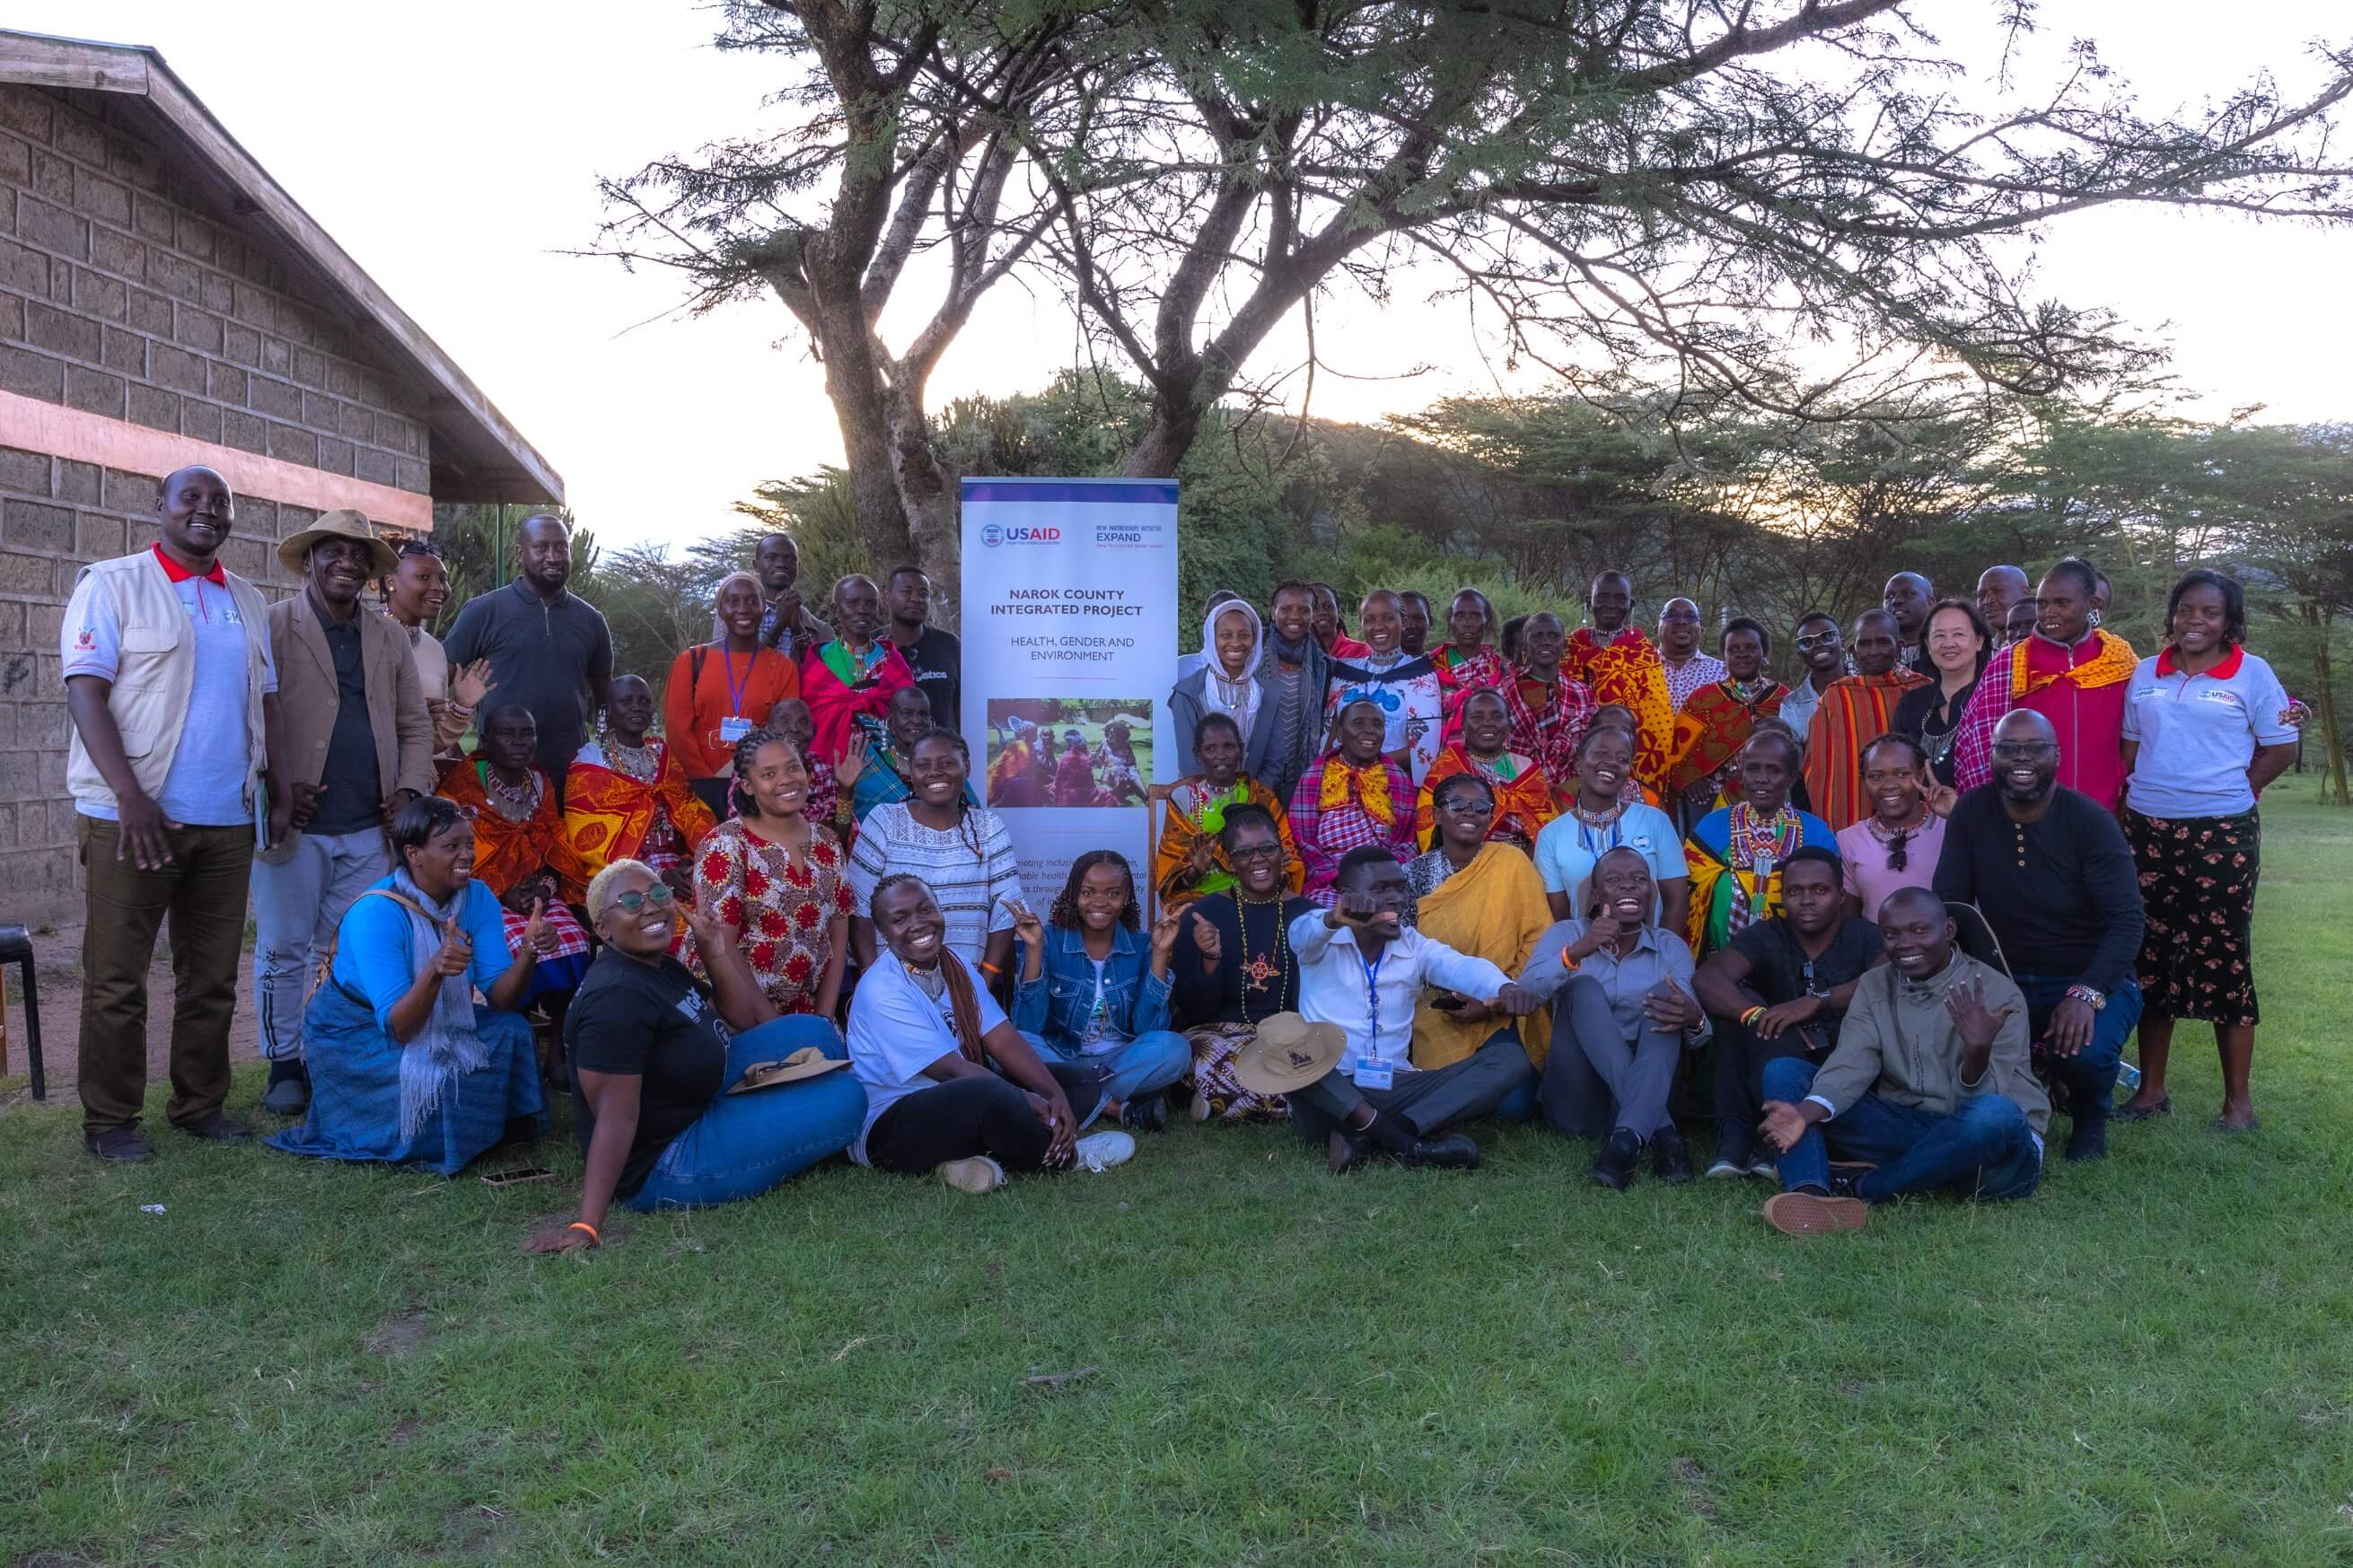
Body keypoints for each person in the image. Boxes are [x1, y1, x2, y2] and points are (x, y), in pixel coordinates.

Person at [63, 465, 283, 1161]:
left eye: (220, 502)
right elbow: (86, 693)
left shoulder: (244, 599)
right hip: (132, 816)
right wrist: (131, 795)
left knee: (212, 975)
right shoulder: (112, 583)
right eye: (191, 497)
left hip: (225, 818)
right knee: (118, 978)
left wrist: (272, 790)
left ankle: (199, 1104)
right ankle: (110, 1120)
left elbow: (267, 702)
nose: (207, 510)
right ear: (158, 506)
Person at [523, 860, 865, 1248]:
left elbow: (737, 1017)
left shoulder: (656, 965)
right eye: (631, 901)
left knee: (815, 1031)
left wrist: (714, 951)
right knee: (847, 1098)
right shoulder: (615, 1000)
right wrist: (587, 1225)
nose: (650, 907)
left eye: (657, 894)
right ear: (602, 928)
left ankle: (780, 1110)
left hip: (696, 1091)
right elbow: (615, 1117)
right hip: (667, 1157)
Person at [252, 511, 435, 1117]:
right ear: (309, 560)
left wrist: (409, 790)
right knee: (284, 948)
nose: (347, 563)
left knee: (350, 947)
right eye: (333, 552)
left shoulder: (387, 637)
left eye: (358, 556)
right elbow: (248, 711)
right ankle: (284, 1062)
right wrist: (276, 784)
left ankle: (332, 1052)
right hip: (295, 827)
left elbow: (414, 723)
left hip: (368, 826)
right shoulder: (274, 625)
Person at [267, 796, 552, 1174]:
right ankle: (435, 1133)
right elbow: (401, 1029)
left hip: (431, 1016)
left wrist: (529, 953)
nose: (466, 855)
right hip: (354, 1031)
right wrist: (435, 970)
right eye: (451, 847)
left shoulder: (478, 897)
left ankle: (498, 1129)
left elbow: (502, 999)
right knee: (438, 1070)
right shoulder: (376, 912)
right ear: (414, 855)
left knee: (513, 1031)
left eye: (469, 844)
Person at [2115, 569, 2298, 1131]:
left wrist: (2235, 790)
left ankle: (2238, 1103)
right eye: (2185, 610)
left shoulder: (2253, 673)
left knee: (2222, 954)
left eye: (2209, 613)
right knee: (2151, 955)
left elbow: (2282, 746)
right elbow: (2130, 747)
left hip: (2222, 834)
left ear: (2229, 623)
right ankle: (2150, 1092)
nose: (2195, 621)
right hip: (2148, 829)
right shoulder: (2146, 673)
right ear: (2172, 615)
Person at [1753, 886, 2047, 1235]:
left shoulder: (1996, 993)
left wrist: (1977, 1053)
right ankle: (1811, 1191)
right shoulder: (1875, 985)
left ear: (1949, 929)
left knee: (1994, 1114)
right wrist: (1804, 1112)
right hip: (1913, 1129)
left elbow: (1984, 1103)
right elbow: (1852, 1061)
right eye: (1891, 934)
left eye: (1920, 930)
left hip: (1990, 1154)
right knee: (1784, 1071)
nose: (1904, 943)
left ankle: (1865, 1189)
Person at [1933, 709, 2145, 1161]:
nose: (2021, 758)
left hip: (2085, 976)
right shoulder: (1972, 811)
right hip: (2004, 974)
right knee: (1942, 1031)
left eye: (2035, 748)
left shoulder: (2090, 822)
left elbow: (2128, 921)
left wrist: (2085, 994)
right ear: (1992, 756)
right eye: (2008, 749)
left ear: (2057, 755)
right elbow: (1950, 904)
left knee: (2084, 1052)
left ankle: (2090, 1116)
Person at [1254, 847, 1542, 1172]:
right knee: (1291, 1044)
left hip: (1397, 1086)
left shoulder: (1413, 945)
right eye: (1380, 889)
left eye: (1400, 887)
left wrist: (1503, 988)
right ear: (1347, 896)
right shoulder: (1320, 939)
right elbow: (1302, 934)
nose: (1396, 898)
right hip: (1331, 1093)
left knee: (1509, 1059)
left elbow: (1460, 967)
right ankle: (1410, 1146)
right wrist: (1335, 917)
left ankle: (1375, 1137)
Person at [847, 876, 1135, 1191]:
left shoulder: (953, 963)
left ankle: (966, 1159)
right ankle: (1067, 1156)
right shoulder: (881, 989)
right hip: (890, 1126)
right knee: (990, 1093)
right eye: (900, 919)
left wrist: (1053, 1095)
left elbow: (1002, 1037)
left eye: (926, 909)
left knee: (1079, 1082)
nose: (918, 924)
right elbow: (949, 1070)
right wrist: (1027, 1101)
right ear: (883, 931)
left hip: (958, 1101)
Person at [1516, 845, 1709, 1187]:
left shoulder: (1670, 947)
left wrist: (1695, 1019)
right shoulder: (1567, 935)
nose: (1628, 886)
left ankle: (1623, 1145)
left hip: (1652, 1090)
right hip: (1580, 1103)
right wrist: (1577, 952)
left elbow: (1696, 1029)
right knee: (1583, 988)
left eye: (1639, 879)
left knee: (1666, 996)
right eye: (1613, 880)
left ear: (1651, 893)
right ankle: (1664, 1134)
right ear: (1594, 896)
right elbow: (1527, 994)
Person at [1693, 845, 1883, 1178]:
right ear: (1782, 895)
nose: (1806, 900)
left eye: (1820, 890)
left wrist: (1817, 1001)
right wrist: (1755, 1015)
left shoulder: (1864, 935)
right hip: (1771, 1056)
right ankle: (1735, 1138)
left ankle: (1774, 1145)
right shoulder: (1769, 934)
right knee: (1737, 1009)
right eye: (1795, 891)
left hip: (1840, 1066)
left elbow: (1886, 980)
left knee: (1780, 1031)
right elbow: (1708, 977)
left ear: (1841, 895)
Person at [1008, 854, 1192, 1133]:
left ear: (1127, 896)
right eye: (1087, 892)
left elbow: (1148, 1029)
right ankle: (1115, 1108)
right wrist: (1033, 950)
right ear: (1074, 894)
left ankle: (1073, 1096)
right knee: (1014, 1045)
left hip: (1117, 1063)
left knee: (1175, 1048)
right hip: (1061, 1058)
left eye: (1113, 893)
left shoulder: (1142, 944)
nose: (1099, 902)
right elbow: (1027, 1027)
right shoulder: (1049, 940)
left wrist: (1160, 953)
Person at [435, 705, 594, 1007]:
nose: (519, 742)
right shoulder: (462, 789)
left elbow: (553, 844)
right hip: (480, 895)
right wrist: (500, 893)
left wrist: (544, 889)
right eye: (506, 734)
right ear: (485, 740)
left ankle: (560, 1037)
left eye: (527, 734)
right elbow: (454, 857)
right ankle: (513, 1020)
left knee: (573, 937)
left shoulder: (539, 781)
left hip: (535, 891)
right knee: (512, 945)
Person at [440, 512, 611, 792]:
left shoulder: (591, 620)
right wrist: (448, 743)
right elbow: (437, 681)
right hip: (499, 775)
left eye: (561, 547)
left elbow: (606, 704)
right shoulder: (483, 611)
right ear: (520, 553)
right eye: (541, 547)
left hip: (571, 777)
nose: (553, 557)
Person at [1405, 775, 1556, 1088]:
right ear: (1436, 815)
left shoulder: (1511, 862)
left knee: (1515, 1103)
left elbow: (1537, 937)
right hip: (1437, 1007)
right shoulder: (1413, 875)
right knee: (1446, 1081)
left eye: (1481, 807)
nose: (1470, 813)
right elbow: (1404, 951)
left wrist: (1497, 998)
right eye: (1457, 805)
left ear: (1491, 816)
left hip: (1504, 1001)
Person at [693, 729, 855, 1018]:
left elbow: (838, 938)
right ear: (747, 786)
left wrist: (824, 1018)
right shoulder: (727, 845)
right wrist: (774, 1026)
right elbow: (722, 946)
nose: (786, 779)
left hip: (805, 1012)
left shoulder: (828, 842)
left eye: (793, 767)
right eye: (768, 774)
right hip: (733, 1015)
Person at [1952, 558, 2138, 810]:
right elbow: (1976, 743)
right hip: (2025, 815)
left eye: (2062, 603)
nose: (2049, 612)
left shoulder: (2118, 660)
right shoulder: (2010, 662)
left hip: (2105, 812)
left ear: (2092, 604)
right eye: (2042, 603)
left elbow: (2136, 738)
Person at [1168, 804, 1314, 1120]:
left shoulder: (1308, 915)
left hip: (1285, 1035)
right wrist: (1210, 958)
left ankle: (1222, 1100)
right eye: (1245, 853)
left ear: (1281, 852)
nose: (1258, 860)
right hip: (1218, 1034)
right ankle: (1278, 1101)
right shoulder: (1203, 914)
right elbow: (1190, 1009)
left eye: (1267, 849)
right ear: (1230, 861)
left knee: (1312, 1060)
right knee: (1205, 1056)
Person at [846, 729, 1022, 975]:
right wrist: (872, 978)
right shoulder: (884, 821)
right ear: (911, 772)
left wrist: (985, 981)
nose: (934, 772)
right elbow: (857, 906)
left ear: (967, 767)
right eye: (923, 765)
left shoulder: (990, 828)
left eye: (947, 763)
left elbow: (1007, 909)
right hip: (894, 987)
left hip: (967, 982)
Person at [1682, 731, 1838, 959]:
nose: (1761, 778)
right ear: (1741, 774)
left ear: (1792, 778)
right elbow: (1688, 893)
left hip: (1795, 961)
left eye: (1773, 770)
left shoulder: (1816, 833)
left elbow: (1832, 902)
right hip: (1718, 963)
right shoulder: (1712, 826)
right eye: (1753, 769)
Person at [664, 571, 802, 819]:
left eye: (752, 600)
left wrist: (758, 780)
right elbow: (677, 731)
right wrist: (704, 780)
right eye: (733, 601)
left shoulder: (783, 667)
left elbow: (785, 732)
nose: (743, 608)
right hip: (697, 786)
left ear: (763, 608)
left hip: (758, 787)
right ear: (720, 608)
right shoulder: (692, 660)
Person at [566, 674, 716, 898]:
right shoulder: (592, 763)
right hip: (623, 874)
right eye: (626, 702)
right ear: (607, 712)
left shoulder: (662, 756)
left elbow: (691, 811)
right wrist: (659, 875)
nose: (637, 707)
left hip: (678, 866)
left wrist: (688, 863)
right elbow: (589, 844)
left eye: (644, 701)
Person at [1533, 724, 1690, 932]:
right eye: (1601, 753)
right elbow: (1560, 920)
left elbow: (1676, 904)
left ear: (1628, 772)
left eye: (1622, 759)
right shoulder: (1551, 836)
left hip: (1651, 955)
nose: (1612, 763)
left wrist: (1659, 956)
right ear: (1579, 764)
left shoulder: (1655, 821)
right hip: (1584, 957)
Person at [1799, 609, 1929, 831]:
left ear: (1898, 648)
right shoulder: (1837, 696)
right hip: (1851, 823)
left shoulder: (1922, 690)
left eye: (1882, 643)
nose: (1874, 651)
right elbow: (1820, 772)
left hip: (1918, 819)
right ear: (1853, 650)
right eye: (1865, 644)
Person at [1154, 713, 1301, 906]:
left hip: (1257, 896)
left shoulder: (1261, 798)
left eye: (1229, 747)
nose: (1221, 755)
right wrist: (1195, 870)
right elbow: (1170, 883)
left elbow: (1290, 861)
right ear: (1197, 754)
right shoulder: (1183, 800)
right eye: (1210, 748)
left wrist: (1273, 869)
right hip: (1201, 901)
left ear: (1240, 750)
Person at [1288, 697, 1418, 905]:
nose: (1370, 731)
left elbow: (1408, 840)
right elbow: (1303, 841)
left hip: (1389, 875)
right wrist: (1338, 877)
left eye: (1377, 725)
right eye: (1358, 723)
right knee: (1328, 919)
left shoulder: (1399, 779)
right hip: (1333, 880)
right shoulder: (1315, 777)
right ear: (1339, 732)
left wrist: (1385, 872)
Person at [1561, 572, 1674, 792]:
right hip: (1571, 755)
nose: (1610, 604)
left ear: (1630, 605)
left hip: (1629, 758)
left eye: (1619, 598)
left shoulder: (1644, 652)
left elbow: (1657, 719)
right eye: (1602, 596)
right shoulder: (1569, 648)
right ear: (1589, 601)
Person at [1663, 618, 1785, 819]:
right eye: (1733, 649)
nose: (1742, 654)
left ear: (1764, 653)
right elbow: (1679, 750)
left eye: (1750, 647)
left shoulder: (1783, 697)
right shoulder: (1703, 698)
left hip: (1772, 794)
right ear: (1724, 657)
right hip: (1711, 800)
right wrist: (1691, 779)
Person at [381, 538, 493, 758]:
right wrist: (406, 716)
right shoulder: (365, 634)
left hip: (417, 785)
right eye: (424, 577)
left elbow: (429, 744)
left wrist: (461, 706)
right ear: (390, 581)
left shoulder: (434, 650)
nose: (438, 588)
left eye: (443, 579)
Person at [1415, 688, 1558, 852]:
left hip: (1523, 863)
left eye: (1497, 717)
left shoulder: (1526, 768)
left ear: (1508, 726)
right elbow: (1427, 823)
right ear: (1464, 726)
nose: (1488, 722)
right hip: (1463, 862)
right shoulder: (1446, 768)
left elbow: (1547, 827)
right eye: (1477, 717)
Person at [1324, 589, 1444, 782]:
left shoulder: (1421, 675)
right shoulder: (1344, 672)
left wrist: (1368, 767)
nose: (1378, 626)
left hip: (1393, 783)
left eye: (1387, 618)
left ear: (1403, 622)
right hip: (1339, 779)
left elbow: (1424, 746)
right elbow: (1328, 736)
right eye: (1370, 619)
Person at [800, 574, 918, 759]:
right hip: (830, 763)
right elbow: (811, 718)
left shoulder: (894, 662)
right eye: (852, 603)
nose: (862, 610)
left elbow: (910, 714)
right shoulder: (819, 660)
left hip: (889, 765)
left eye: (870, 604)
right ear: (835, 610)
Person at [1835, 734, 1948, 920]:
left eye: (1902, 774)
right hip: (1876, 948)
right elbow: (1851, 921)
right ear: (1864, 782)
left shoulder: (1950, 830)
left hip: (1939, 947)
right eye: (1876, 777)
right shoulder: (1849, 840)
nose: (1889, 785)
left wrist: (1956, 815)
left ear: (1920, 775)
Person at [1891, 598, 1993, 792]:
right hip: (1920, 818)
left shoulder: (1994, 698)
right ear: (1928, 646)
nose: (1949, 643)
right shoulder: (1911, 703)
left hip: (1982, 817)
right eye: (1939, 636)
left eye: (1959, 634)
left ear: (1979, 641)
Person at [1170, 598, 1278, 778]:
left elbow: (1273, 761)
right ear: (1212, 639)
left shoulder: (1268, 694)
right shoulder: (1187, 694)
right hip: (1201, 800)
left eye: (1244, 635)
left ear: (1255, 640)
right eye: (1226, 635)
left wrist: (1253, 798)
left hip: (1254, 800)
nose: (1236, 643)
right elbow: (1190, 763)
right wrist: (1216, 801)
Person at [840, 684, 973, 824]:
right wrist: (845, 791)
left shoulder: (947, 764)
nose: (916, 720)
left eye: (923, 714)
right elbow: (852, 823)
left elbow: (971, 812)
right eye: (907, 713)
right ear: (891, 722)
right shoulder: (869, 761)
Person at [1498, 611, 1598, 788]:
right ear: (1526, 645)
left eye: (1553, 636)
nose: (1545, 641)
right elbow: (1498, 746)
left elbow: (1591, 746)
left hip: (1571, 791)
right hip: (1516, 786)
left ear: (1563, 644)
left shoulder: (1582, 694)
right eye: (1537, 636)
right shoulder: (1506, 692)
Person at [1258, 580, 1333, 805]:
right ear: (1273, 612)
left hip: (1301, 778)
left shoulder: (1323, 665)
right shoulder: (1252, 656)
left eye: (1303, 610)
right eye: (1286, 608)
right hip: (1256, 775)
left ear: (1312, 615)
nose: (1294, 616)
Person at [882, 565, 960, 731]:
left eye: (924, 594)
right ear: (888, 597)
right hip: (885, 755)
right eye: (906, 592)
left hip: (939, 753)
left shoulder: (949, 645)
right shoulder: (873, 646)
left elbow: (962, 706)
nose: (916, 599)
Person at [768, 696, 854, 840]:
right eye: (784, 721)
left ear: (813, 732)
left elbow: (838, 840)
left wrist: (845, 792)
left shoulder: (821, 770)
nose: (795, 728)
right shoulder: (752, 770)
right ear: (769, 729)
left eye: (803, 722)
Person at [1427, 588, 1511, 715]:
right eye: (1460, 616)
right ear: (1451, 620)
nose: (1467, 623)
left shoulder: (1501, 669)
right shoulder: (1432, 665)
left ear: (1486, 619)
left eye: (1475, 616)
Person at [751, 530, 832, 658]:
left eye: (790, 559)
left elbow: (822, 674)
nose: (781, 564)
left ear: (798, 567)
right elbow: (734, 667)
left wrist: (798, 629)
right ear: (756, 565)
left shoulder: (820, 629)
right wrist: (779, 624)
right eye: (771, 557)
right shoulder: (734, 616)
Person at [1776, 611, 1846, 744]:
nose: (1818, 644)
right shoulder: (1791, 706)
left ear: (1842, 642)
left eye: (1827, 636)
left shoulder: (1865, 685)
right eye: (1807, 642)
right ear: (1800, 654)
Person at [1657, 597, 1726, 713]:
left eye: (1690, 616)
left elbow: (1747, 704)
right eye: (1672, 615)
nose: (1681, 621)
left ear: (1701, 630)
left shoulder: (1724, 672)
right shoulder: (1638, 671)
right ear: (1656, 629)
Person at [1883, 571, 1936, 676]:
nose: (1896, 601)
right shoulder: (1874, 656)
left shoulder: (1944, 651)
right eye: (1889, 597)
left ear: (1930, 603)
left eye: (1908, 594)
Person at [1310, 582, 1369, 659]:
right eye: (1315, 607)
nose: (1322, 612)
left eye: (1328, 606)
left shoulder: (1363, 653)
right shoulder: (1293, 657)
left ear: (1338, 611)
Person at [1975, 564, 2030, 634]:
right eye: (1981, 595)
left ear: (2025, 594)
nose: (1987, 601)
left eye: (1998, 591)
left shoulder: (2044, 642)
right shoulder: (1986, 644)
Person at [1397, 591, 1434, 656]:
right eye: (1402, 619)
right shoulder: (1376, 665)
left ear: (1430, 622)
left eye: (1418, 618)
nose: (1410, 626)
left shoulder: (1442, 663)